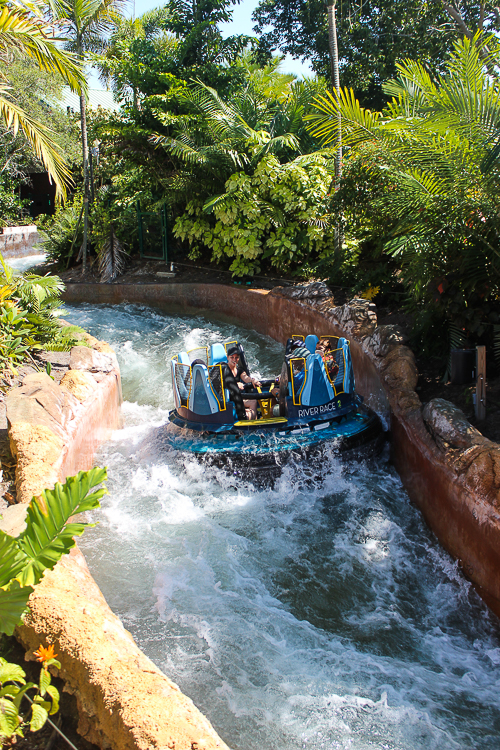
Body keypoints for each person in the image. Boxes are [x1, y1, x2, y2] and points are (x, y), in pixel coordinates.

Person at [226, 346, 261, 420]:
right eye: (232, 357)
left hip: (238, 396)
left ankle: (253, 423)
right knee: (252, 403)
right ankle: (249, 422)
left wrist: (252, 380)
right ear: (227, 357)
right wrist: (235, 384)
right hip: (228, 397)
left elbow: (245, 378)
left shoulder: (239, 370)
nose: (234, 360)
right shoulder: (224, 369)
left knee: (254, 402)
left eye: (236, 358)